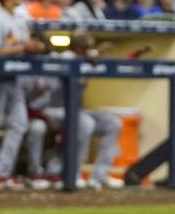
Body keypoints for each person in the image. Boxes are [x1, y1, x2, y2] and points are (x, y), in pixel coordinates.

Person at [24, 31, 123, 190]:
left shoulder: (89, 60)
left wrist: (97, 55)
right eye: (83, 44)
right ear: (76, 46)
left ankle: (99, 176)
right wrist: (94, 54)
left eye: (88, 45)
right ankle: (73, 173)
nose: (87, 48)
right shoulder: (65, 57)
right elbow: (70, 62)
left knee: (113, 123)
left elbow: (112, 65)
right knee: (85, 123)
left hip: (74, 111)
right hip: (51, 109)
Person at [0, 0, 45, 189]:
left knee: (19, 124)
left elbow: (22, 47)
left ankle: (3, 172)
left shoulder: (19, 20)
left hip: (14, 78)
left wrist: (34, 47)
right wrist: (22, 47)